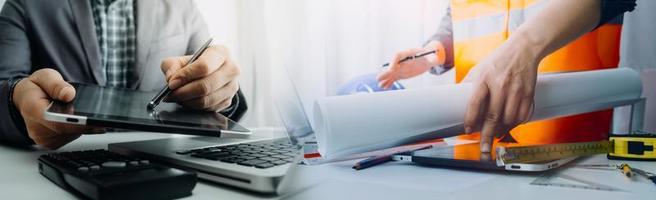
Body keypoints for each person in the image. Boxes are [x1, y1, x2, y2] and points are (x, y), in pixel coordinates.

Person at [378, 0, 636, 152]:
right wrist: (432, 54)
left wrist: (525, 46)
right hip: (473, 141)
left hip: (566, 140)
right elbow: (460, 19)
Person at [0, 0, 247, 149]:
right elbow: (4, 84)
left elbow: (213, 77)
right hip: (55, 163)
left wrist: (220, 94)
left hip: (160, 163)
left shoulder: (182, 6)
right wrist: (16, 101)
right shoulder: (25, 4)